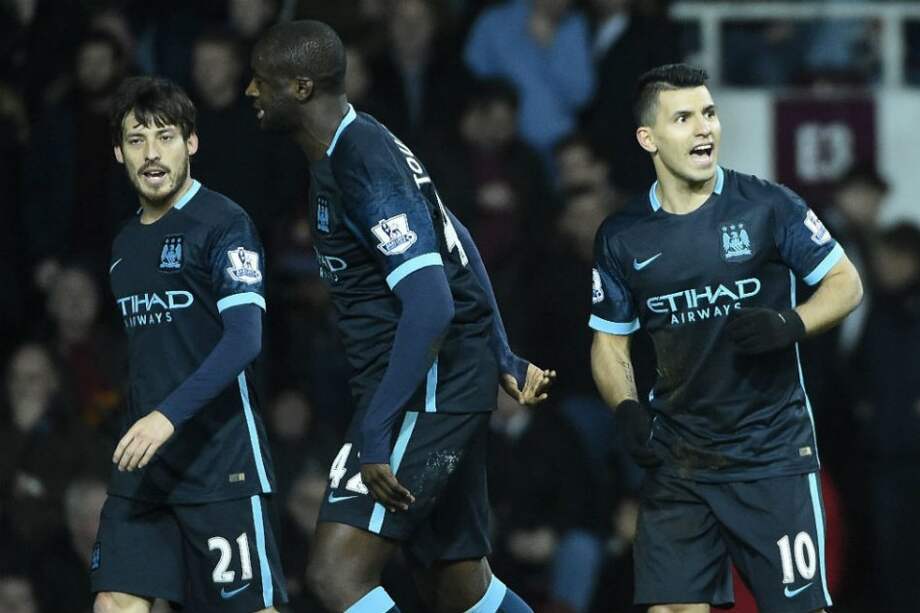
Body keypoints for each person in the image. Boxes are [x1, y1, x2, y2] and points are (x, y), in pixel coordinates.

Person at [246, 20, 555, 613]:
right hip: (439, 380)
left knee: (336, 574)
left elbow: (432, 302)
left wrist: (376, 429)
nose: (250, 93)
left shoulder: (360, 158)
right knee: (459, 583)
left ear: (303, 87)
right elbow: (456, 236)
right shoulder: (364, 143)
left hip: (426, 387)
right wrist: (500, 350)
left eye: (263, 81)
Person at [588, 64, 863, 613]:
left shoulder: (768, 205)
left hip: (771, 457)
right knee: (669, 608)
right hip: (680, 460)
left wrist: (792, 323)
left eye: (709, 114)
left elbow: (845, 282)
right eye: (684, 118)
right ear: (649, 139)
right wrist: (624, 408)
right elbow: (609, 343)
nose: (704, 129)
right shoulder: (622, 236)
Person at [91, 76, 286, 613]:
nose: (152, 154)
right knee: (113, 605)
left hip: (220, 464)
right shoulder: (124, 245)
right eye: (136, 139)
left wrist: (165, 417)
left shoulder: (225, 223)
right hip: (145, 473)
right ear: (118, 152)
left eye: (166, 136)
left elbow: (245, 340)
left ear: (192, 143)